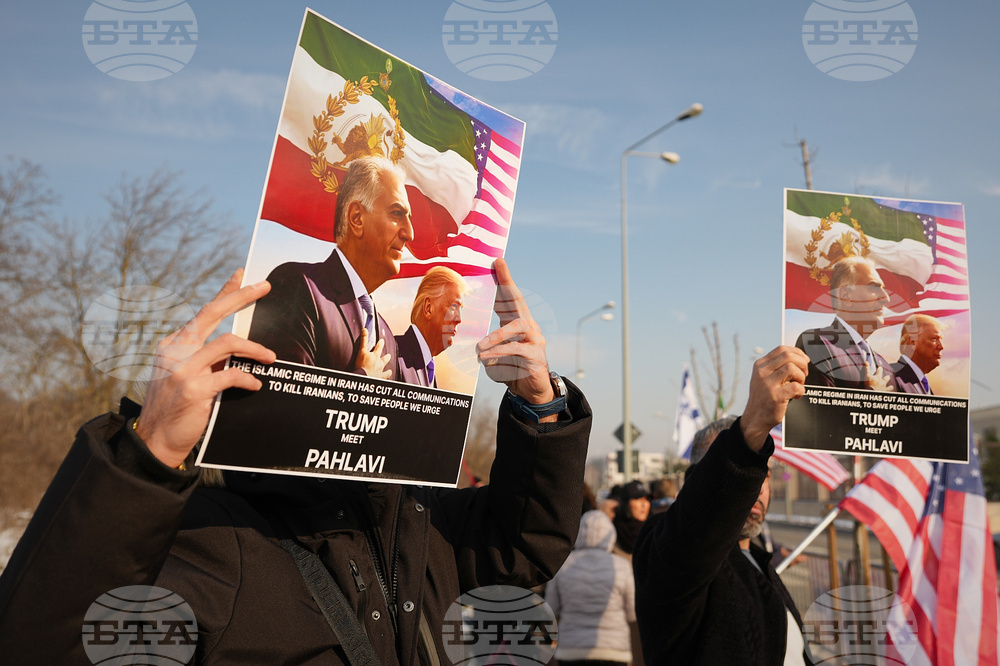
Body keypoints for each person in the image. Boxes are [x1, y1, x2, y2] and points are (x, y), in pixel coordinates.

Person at [0, 258, 593, 664]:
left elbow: (525, 546)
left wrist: (540, 405)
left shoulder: (418, 515)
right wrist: (149, 451)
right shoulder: (216, 541)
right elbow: (46, 643)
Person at [633, 346, 815, 666]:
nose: (756, 487)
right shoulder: (667, 551)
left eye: (763, 474)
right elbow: (694, 535)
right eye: (745, 470)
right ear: (695, 482)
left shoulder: (760, 562)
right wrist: (751, 431)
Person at [247, 156, 413, 379]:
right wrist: (364, 379)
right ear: (357, 218)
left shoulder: (389, 339)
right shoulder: (296, 286)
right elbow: (274, 395)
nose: (409, 233)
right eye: (397, 213)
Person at [546, 510, 636, 666]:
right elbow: (632, 612)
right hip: (614, 650)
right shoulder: (621, 565)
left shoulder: (563, 565)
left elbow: (551, 609)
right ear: (611, 534)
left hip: (571, 649)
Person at [795, 256, 896, 391]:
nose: (886, 298)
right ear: (846, 296)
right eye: (873, 287)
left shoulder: (887, 368)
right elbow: (816, 405)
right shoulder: (816, 343)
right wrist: (872, 393)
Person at [396, 266, 469, 387]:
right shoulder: (392, 353)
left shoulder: (428, 367)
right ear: (428, 308)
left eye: (460, 309)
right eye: (453, 307)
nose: (459, 319)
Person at [892, 313, 944, 394]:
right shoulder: (889, 376)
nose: (941, 347)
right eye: (934, 339)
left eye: (940, 339)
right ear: (912, 342)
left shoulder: (922, 382)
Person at [612, 479, 651, 558]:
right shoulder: (611, 534)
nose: (643, 504)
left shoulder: (656, 532)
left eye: (646, 499)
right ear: (626, 504)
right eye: (637, 499)